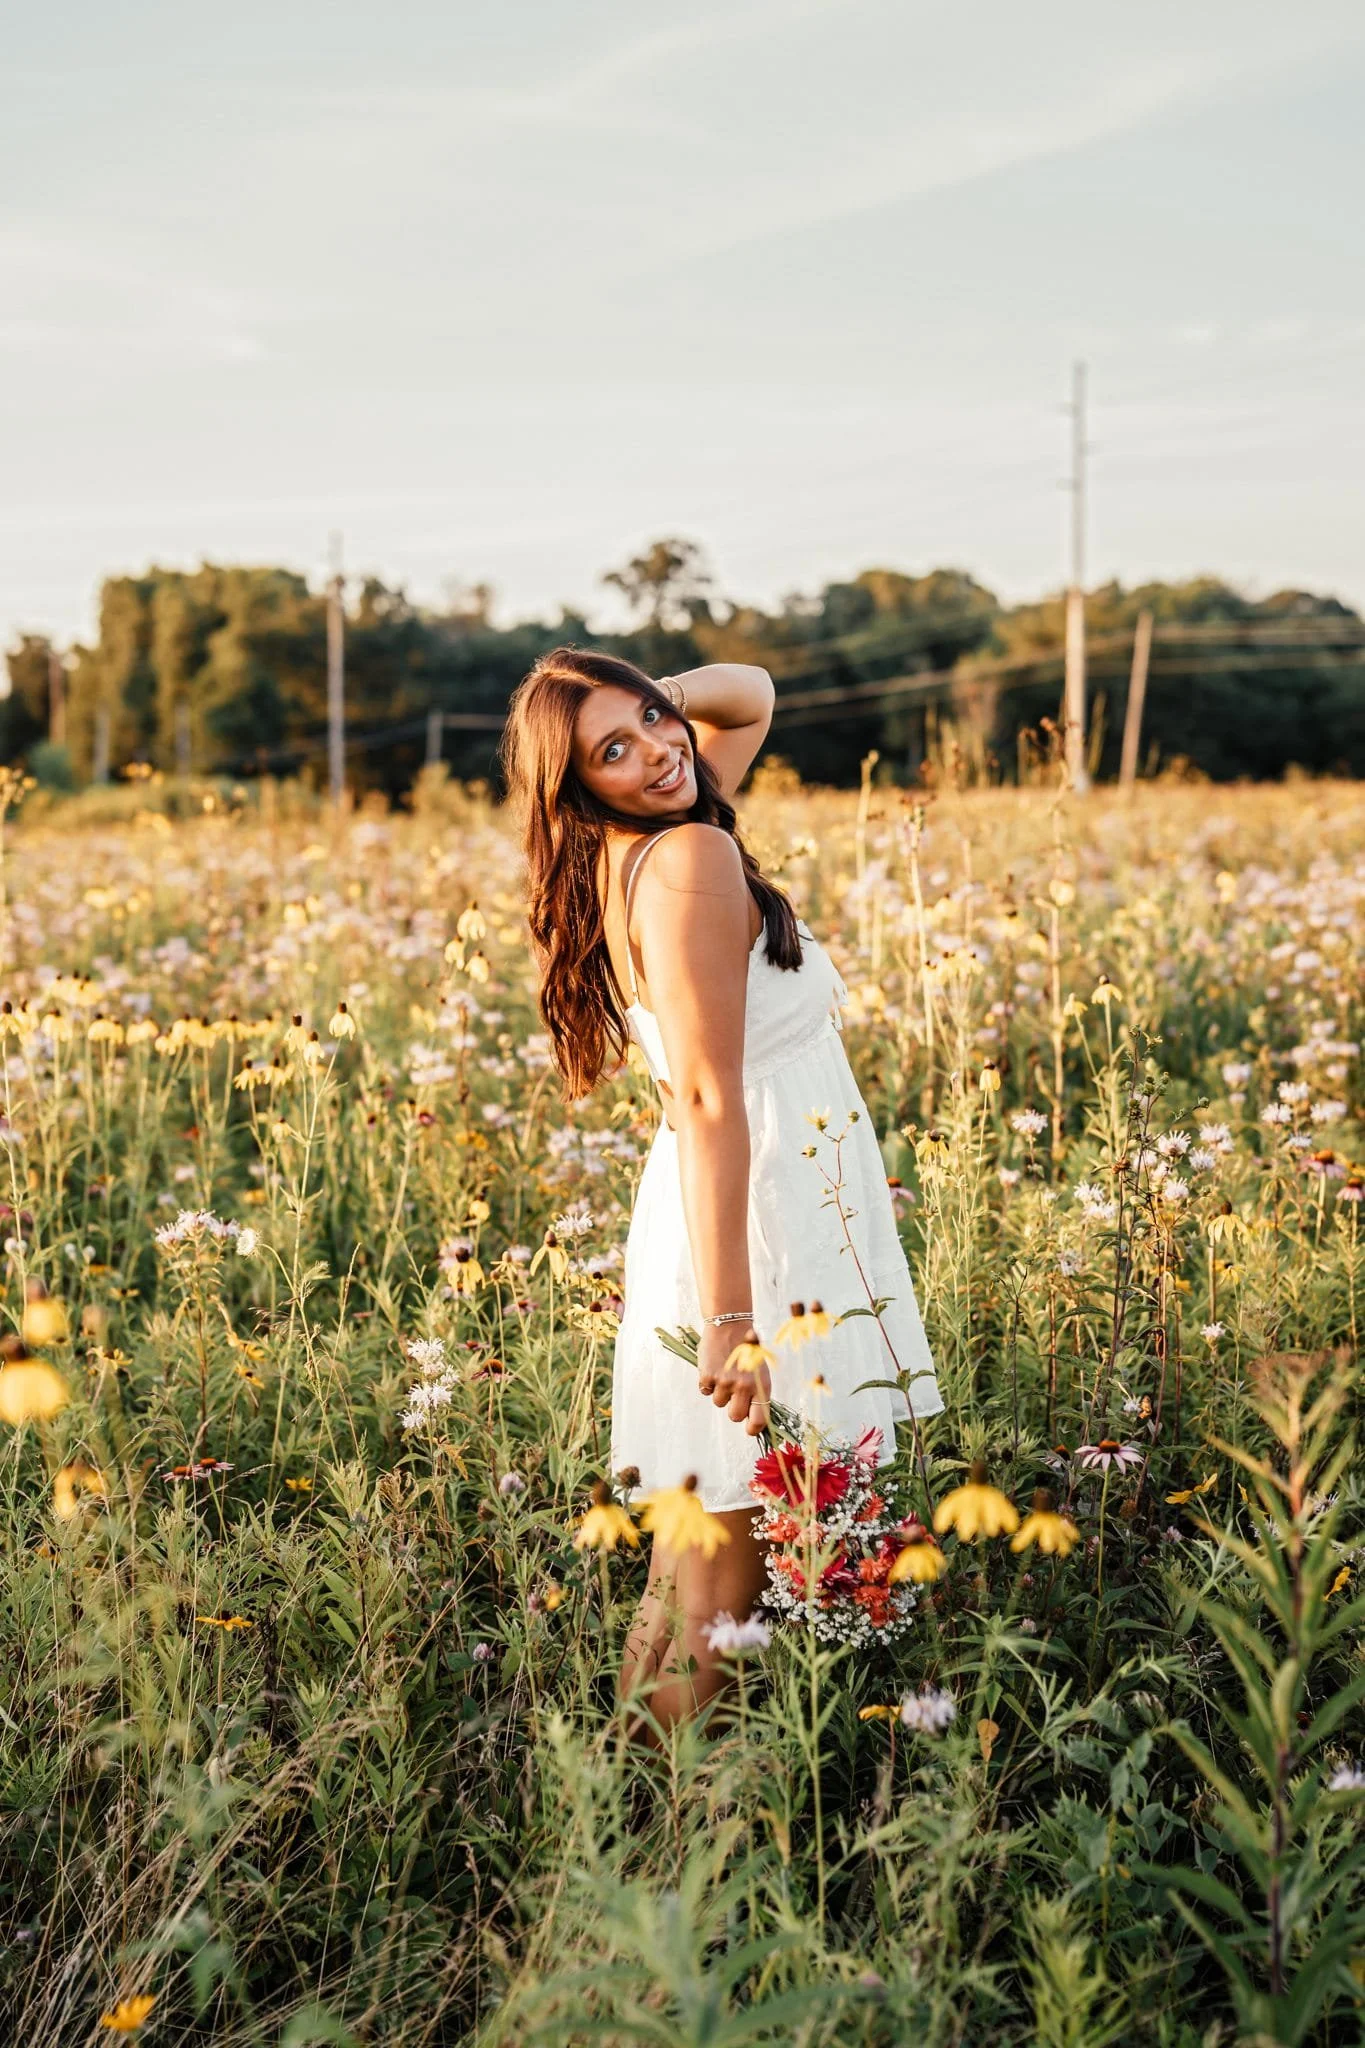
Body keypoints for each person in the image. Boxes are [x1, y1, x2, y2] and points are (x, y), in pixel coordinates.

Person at [499, 648, 941, 1735]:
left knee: (688, 1571)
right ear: (575, 785)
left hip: (733, 1213)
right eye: (615, 749)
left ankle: (617, 1823)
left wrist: (640, 718)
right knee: (720, 1601)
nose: (658, 750)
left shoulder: (642, 842)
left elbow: (750, 692)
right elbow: (705, 1095)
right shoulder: (690, 852)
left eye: (654, 718)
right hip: (760, 1232)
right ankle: (669, 1860)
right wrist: (734, 1322)